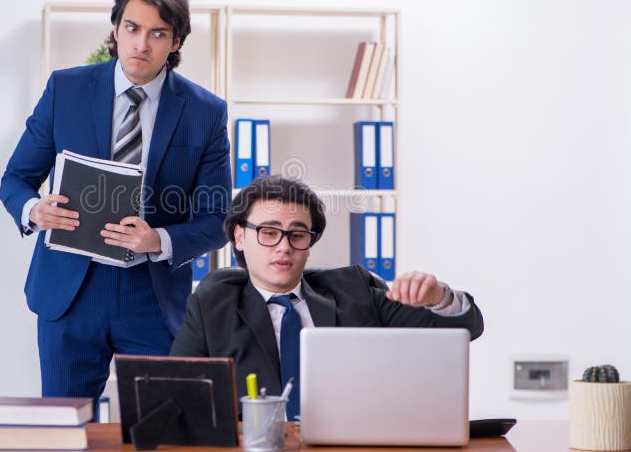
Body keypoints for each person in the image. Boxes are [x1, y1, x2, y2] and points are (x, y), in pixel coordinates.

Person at [0, 0, 232, 405]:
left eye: (157, 33)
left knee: (162, 429)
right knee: (68, 431)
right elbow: (15, 179)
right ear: (115, 28)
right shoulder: (65, 90)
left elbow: (217, 220)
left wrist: (158, 239)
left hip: (152, 296)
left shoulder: (206, 112)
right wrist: (34, 210)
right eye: (132, 28)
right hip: (70, 293)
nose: (141, 44)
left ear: (176, 41)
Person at [170, 175, 483, 420]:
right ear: (240, 236)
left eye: (297, 234)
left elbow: (463, 329)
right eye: (268, 232)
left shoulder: (354, 291)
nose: (284, 246)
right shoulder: (211, 305)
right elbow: (175, 397)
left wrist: (438, 297)